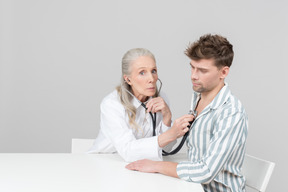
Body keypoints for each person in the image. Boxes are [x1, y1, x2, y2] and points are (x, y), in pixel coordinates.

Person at [126, 34, 248, 192]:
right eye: (192, 67)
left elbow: (206, 171)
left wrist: (157, 166)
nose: (193, 76)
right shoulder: (198, 97)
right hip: (192, 186)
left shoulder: (231, 113)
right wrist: (169, 120)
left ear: (223, 72)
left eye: (202, 70)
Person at [88, 48, 193, 162]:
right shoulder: (112, 104)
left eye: (153, 71)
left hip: (141, 165)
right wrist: (171, 134)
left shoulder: (161, 99)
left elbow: (164, 150)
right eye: (142, 72)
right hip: (106, 162)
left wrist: (167, 118)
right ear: (128, 79)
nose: (151, 79)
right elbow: (127, 151)